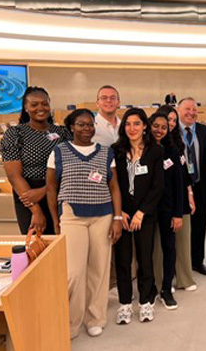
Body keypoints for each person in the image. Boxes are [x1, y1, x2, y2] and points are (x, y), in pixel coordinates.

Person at [44, 109, 123, 338]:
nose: (87, 129)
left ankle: (95, 317)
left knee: (99, 268)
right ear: (71, 127)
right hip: (72, 216)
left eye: (90, 125)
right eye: (81, 125)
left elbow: (114, 187)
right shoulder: (58, 151)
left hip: (103, 214)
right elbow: (51, 188)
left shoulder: (106, 152)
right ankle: (71, 320)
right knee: (74, 272)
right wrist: (55, 220)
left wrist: (117, 218)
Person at [112, 108, 165, 324]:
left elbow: (157, 186)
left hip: (145, 215)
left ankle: (145, 301)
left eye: (136, 123)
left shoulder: (155, 151)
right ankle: (125, 303)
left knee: (145, 259)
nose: (132, 128)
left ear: (145, 126)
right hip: (122, 215)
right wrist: (120, 212)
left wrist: (142, 212)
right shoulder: (115, 150)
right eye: (127, 124)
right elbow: (113, 184)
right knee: (123, 260)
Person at [1, 86, 71, 235]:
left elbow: (73, 166)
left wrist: (45, 189)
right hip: (29, 195)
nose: (40, 108)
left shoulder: (63, 132)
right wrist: (36, 210)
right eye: (34, 104)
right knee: (37, 247)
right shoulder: (15, 134)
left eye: (44, 103)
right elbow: (14, 176)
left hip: (61, 192)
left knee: (63, 245)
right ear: (26, 107)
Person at [177, 97, 206, 276]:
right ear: (178, 110)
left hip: (201, 185)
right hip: (179, 186)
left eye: (194, 109)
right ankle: (179, 264)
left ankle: (197, 261)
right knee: (179, 226)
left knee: (200, 225)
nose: (191, 113)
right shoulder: (171, 130)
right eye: (187, 109)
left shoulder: (205, 131)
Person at [148, 111, 183, 309]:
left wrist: (178, 213)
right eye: (156, 126)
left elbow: (178, 184)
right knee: (147, 251)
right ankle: (150, 288)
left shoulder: (172, 151)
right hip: (146, 210)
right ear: (149, 126)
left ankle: (166, 289)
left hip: (168, 210)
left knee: (169, 249)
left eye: (164, 127)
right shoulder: (142, 150)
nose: (159, 130)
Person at [163, 105, 198, 291]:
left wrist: (190, 194)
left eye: (174, 120)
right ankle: (164, 281)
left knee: (183, 239)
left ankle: (185, 278)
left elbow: (185, 172)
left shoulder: (178, 142)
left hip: (181, 196)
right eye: (167, 119)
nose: (171, 123)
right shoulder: (152, 145)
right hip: (161, 199)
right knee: (162, 245)